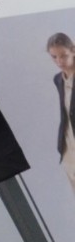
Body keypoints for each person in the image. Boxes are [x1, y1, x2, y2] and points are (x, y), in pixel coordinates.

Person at [47, 32, 75, 196]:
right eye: (54, 57)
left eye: (63, 55)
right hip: (68, 150)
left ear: (73, 50)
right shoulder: (58, 79)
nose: (59, 62)